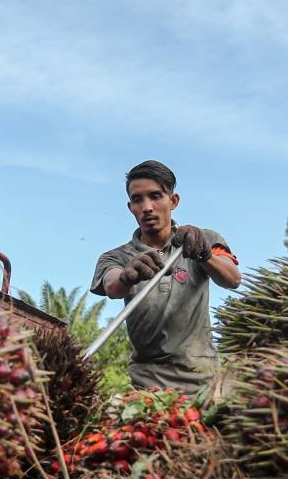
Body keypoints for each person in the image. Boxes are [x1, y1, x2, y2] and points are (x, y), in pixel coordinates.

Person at [90, 160, 241, 394]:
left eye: (156, 196)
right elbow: (112, 285)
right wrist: (128, 276)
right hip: (148, 386)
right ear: (130, 207)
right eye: (138, 199)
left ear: (173, 201)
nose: (147, 207)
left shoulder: (205, 239)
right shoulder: (117, 256)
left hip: (204, 381)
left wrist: (204, 255)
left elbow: (232, 279)